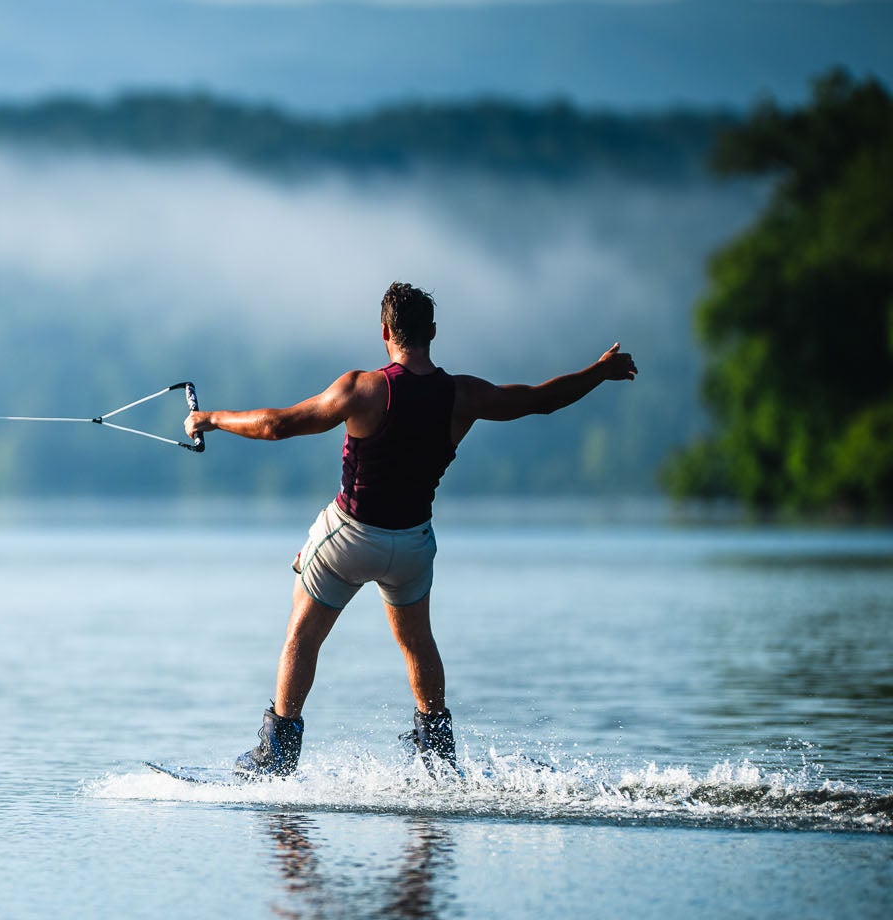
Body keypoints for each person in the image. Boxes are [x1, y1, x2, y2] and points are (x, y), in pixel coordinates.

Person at [182, 282, 638, 778]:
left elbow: (276, 425)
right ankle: (437, 758)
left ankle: (276, 753)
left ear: (385, 333)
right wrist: (600, 371)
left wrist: (210, 419)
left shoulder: (364, 388)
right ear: (433, 333)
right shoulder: (462, 394)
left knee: (302, 634)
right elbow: (539, 401)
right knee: (417, 642)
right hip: (414, 545)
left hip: (352, 537)